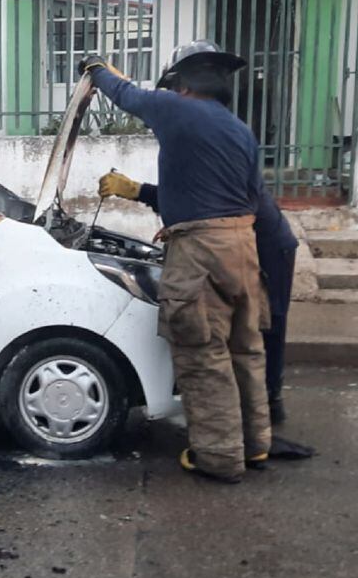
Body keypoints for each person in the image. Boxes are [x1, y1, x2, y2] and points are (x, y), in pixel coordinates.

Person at [78, 41, 271, 483]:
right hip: (242, 249)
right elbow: (234, 197)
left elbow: (127, 95)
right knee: (245, 350)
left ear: (181, 83)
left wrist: (96, 68)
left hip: (201, 255)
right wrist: (142, 193)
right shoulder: (240, 131)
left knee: (204, 355)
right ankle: (255, 444)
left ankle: (219, 457)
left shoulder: (174, 108)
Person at [98, 174, 298, 425]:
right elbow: (190, 198)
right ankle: (251, 405)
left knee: (268, 323)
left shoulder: (217, 162)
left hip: (269, 246)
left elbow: (201, 200)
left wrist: (139, 191)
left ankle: (269, 402)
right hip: (244, 242)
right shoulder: (203, 158)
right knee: (245, 324)